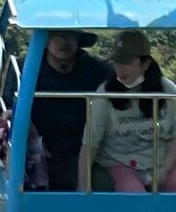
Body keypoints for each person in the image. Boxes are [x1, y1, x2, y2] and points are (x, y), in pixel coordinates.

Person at [80, 34, 176, 193]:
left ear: (146, 63)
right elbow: (90, 143)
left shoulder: (168, 91)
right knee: (134, 196)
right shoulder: (105, 94)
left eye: (127, 62)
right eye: (117, 62)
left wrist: (164, 171)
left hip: (160, 159)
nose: (120, 68)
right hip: (120, 161)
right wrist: (83, 185)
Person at [23, 29, 110, 192]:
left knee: (103, 184)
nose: (64, 41)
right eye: (57, 35)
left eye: (70, 36)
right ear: (46, 41)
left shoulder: (97, 70)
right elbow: (8, 111)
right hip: (39, 153)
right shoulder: (27, 70)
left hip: (84, 152)